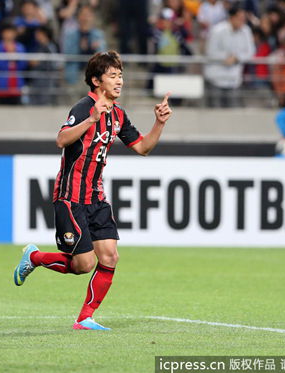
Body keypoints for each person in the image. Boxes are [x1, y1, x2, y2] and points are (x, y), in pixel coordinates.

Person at [13, 51, 172, 330]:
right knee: (83, 264)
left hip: (96, 197)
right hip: (70, 196)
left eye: (120, 75)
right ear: (97, 81)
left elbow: (143, 148)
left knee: (110, 256)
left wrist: (159, 123)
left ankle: (85, 318)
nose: (119, 81)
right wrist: (89, 120)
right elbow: (61, 140)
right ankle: (35, 257)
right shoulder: (83, 107)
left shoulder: (119, 115)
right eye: (113, 76)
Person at [204, 6, 255, 107]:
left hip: (234, 79)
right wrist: (226, 57)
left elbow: (250, 52)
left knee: (233, 115)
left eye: (243, 19)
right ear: (231, 18)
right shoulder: (217, 30)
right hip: (215, 78)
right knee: (215, 114)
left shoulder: (246, 30)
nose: (242, 21)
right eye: (240, 18)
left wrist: (237, 58)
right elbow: (210, 52)